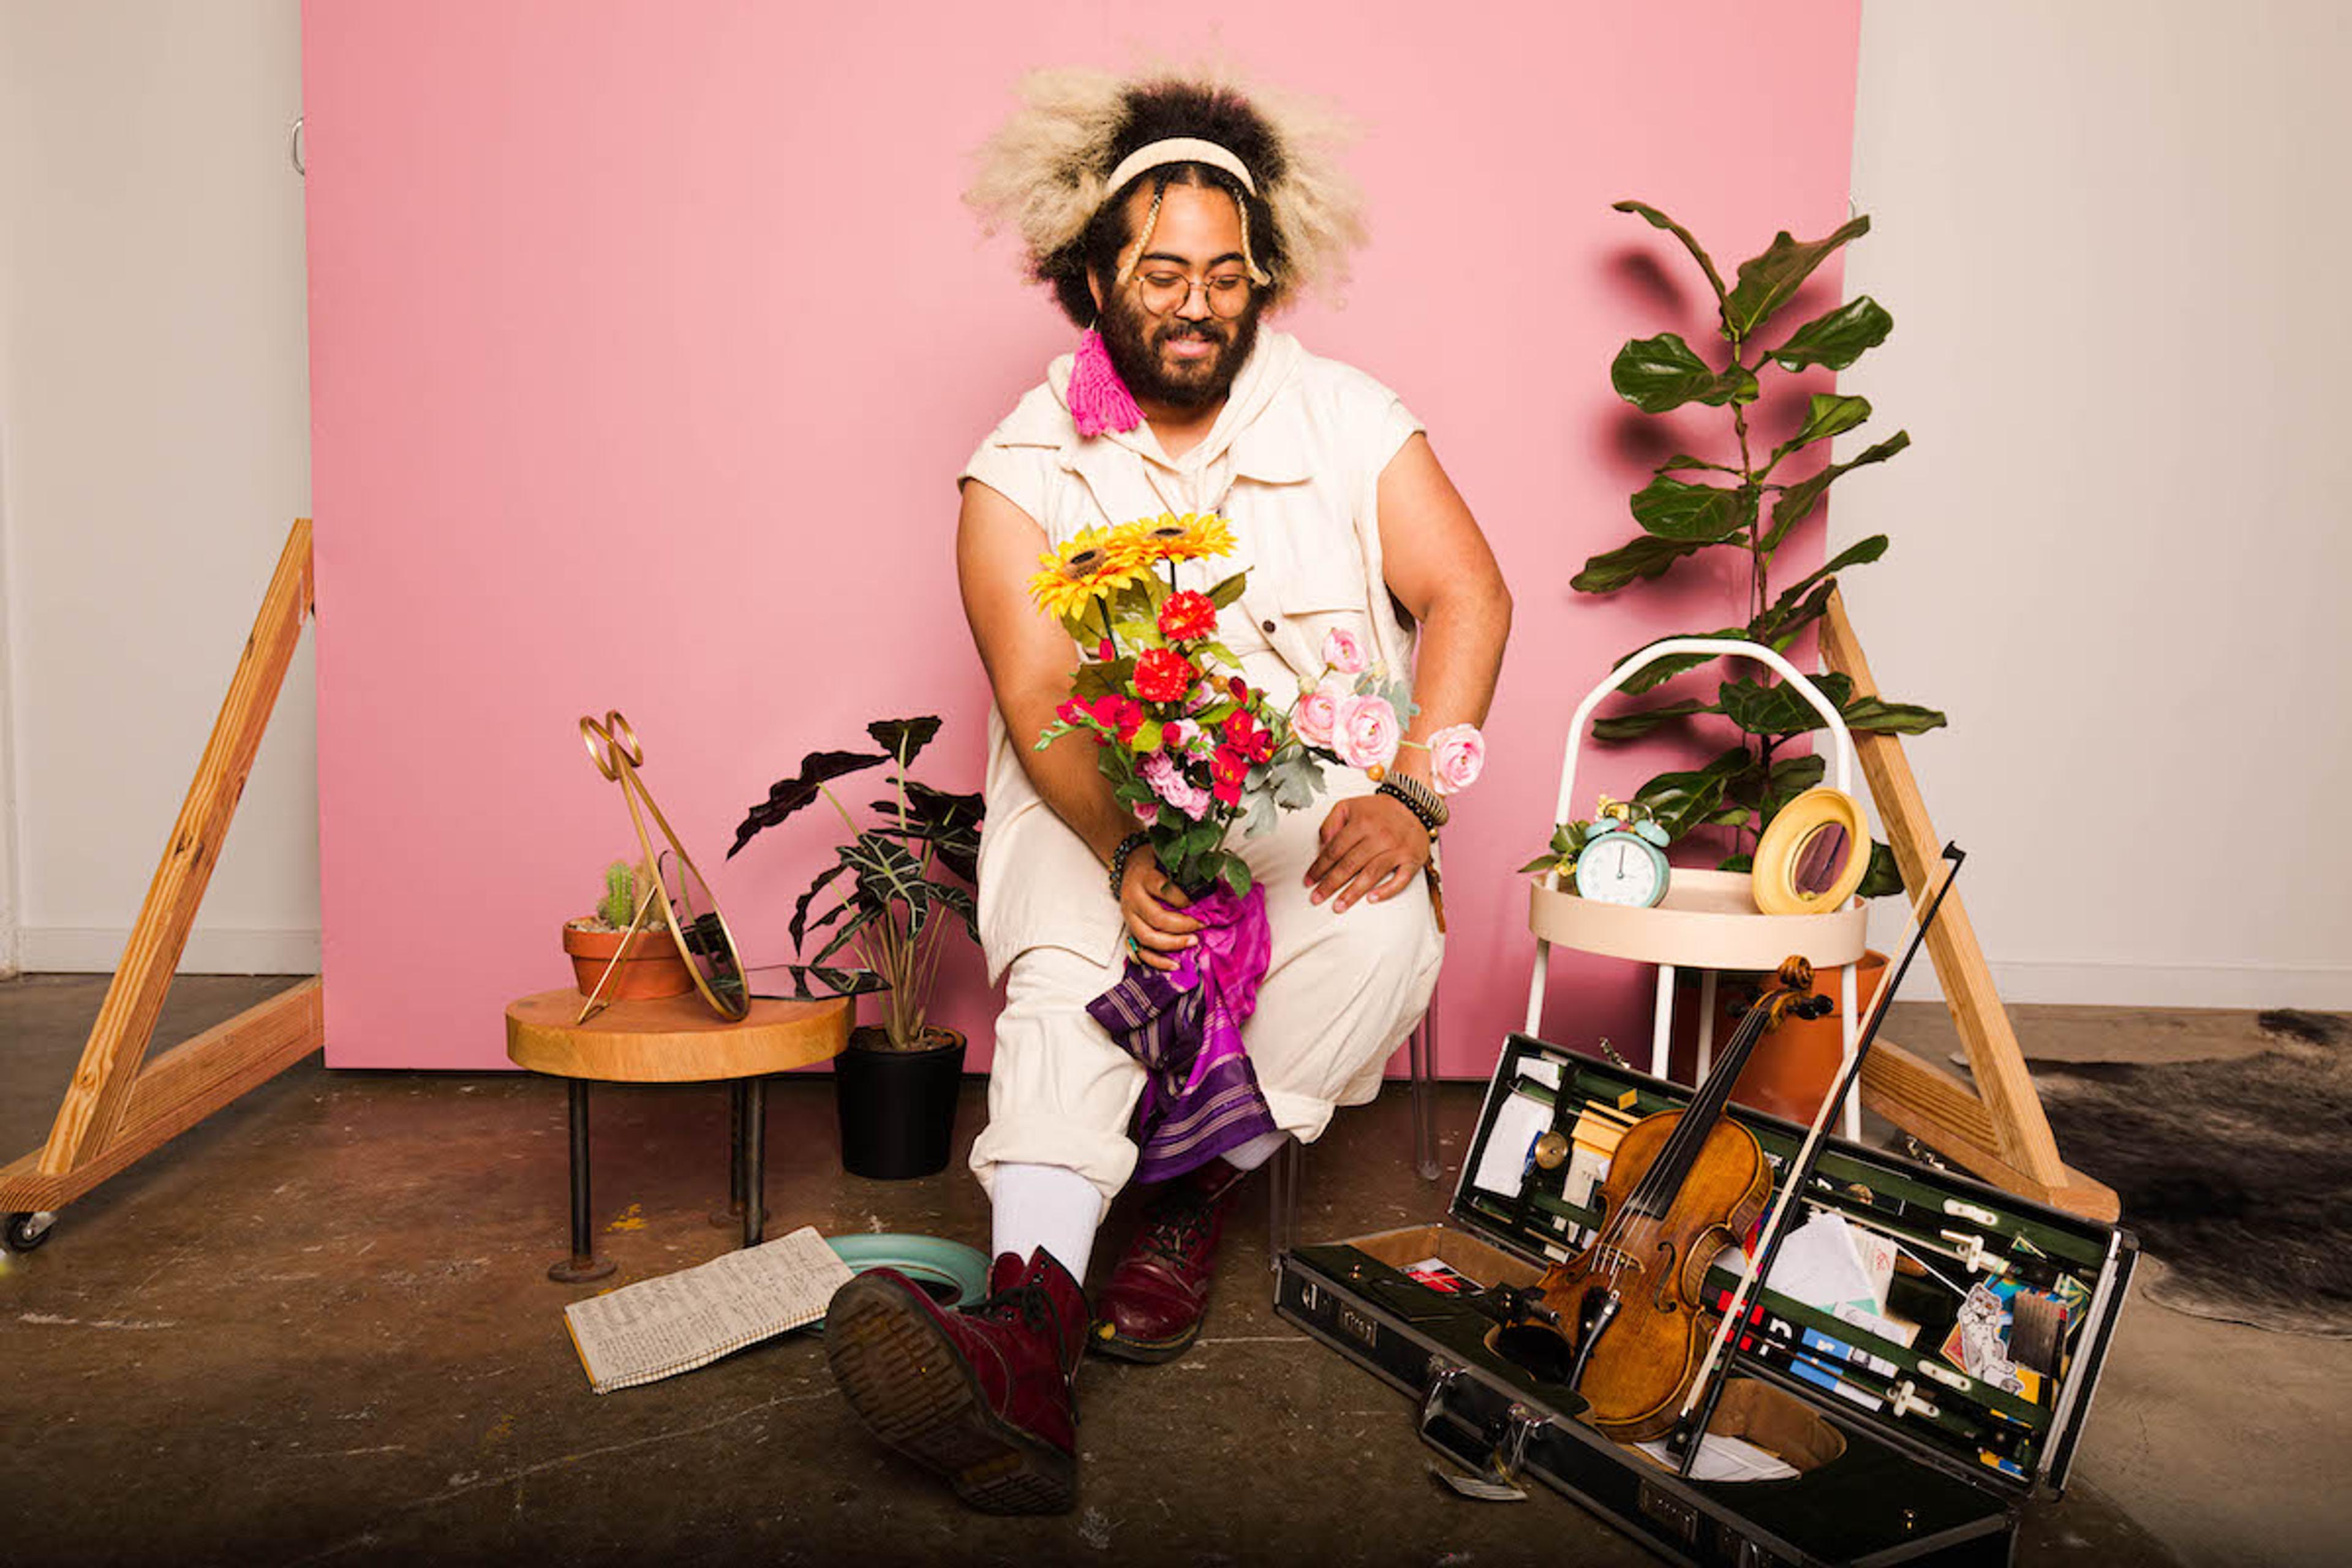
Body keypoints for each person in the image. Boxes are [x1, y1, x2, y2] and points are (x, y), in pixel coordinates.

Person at [824, 66, 1512, 1515]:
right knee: (1081, 968)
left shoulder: (1345, 417)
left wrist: (1414, 799)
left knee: (1383, 935)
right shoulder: (1019, 468)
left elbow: (1467, 592)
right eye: (1159, 274)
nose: (1195, 303)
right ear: (1094, 277)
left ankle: (1188, 1191)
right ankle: (1027, 1332)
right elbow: (1035, 698)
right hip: (1103, 806)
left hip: (1298, 811)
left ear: (1260, 278)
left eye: (1223, 273)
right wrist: (1127, 844)